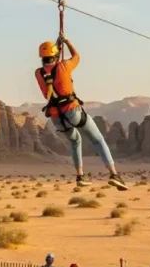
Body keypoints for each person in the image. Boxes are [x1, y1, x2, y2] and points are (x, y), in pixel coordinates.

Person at [35, 34, 128, 191]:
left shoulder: (38, 73)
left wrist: (57, 48)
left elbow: (50, 70)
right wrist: (67, 42)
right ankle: (114, 175)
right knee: (97, 139)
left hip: (57, 117)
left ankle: (80, 176)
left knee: (75, 141)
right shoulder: (64, 66)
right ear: (55, 54)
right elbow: (76, 57)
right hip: (72, 111)